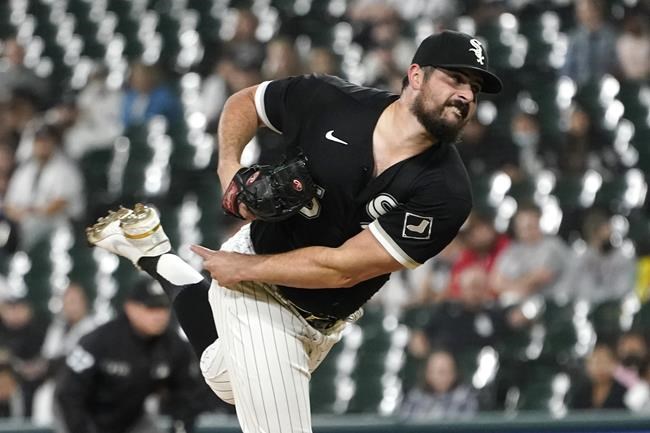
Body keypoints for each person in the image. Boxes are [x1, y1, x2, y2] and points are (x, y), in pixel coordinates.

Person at [86, 29, 502, 433]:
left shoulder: (447, 192)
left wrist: (244, 269)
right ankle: (162, 258)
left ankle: (157, 256)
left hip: (317, 312)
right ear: (416, 75)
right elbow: (245, 102)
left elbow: (342, 269)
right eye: (456, 78)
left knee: (223, 377)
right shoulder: (331, 101)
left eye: (475, 88)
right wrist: (229, 171)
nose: (466, 95)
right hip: (259, 286)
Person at [54, 278, 201, 433]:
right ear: (131, 308)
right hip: (82, 413)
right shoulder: (100, 340)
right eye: (151, 308)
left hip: (131, 416)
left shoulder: (173, 345)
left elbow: (187, 393)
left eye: (163, 307)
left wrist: (180, 427)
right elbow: (68, 393)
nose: (159, 315)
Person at [3, 124, 85, 249]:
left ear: (54, 143)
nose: (42, 146)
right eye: (39, 142)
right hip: (25, 222)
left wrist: (30, 213)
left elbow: (59, 204)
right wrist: (18, 215)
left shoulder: (65, 169)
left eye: (46, 141)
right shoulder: (25, 170)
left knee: (32, 225)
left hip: (59, 224)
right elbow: (8, 204)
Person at [399, 349, 479, 419]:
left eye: (449, 370)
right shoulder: (415, 398)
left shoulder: (465, 398)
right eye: (440, 372)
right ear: (428, 373)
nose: (445, 375)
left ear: (455, 374)